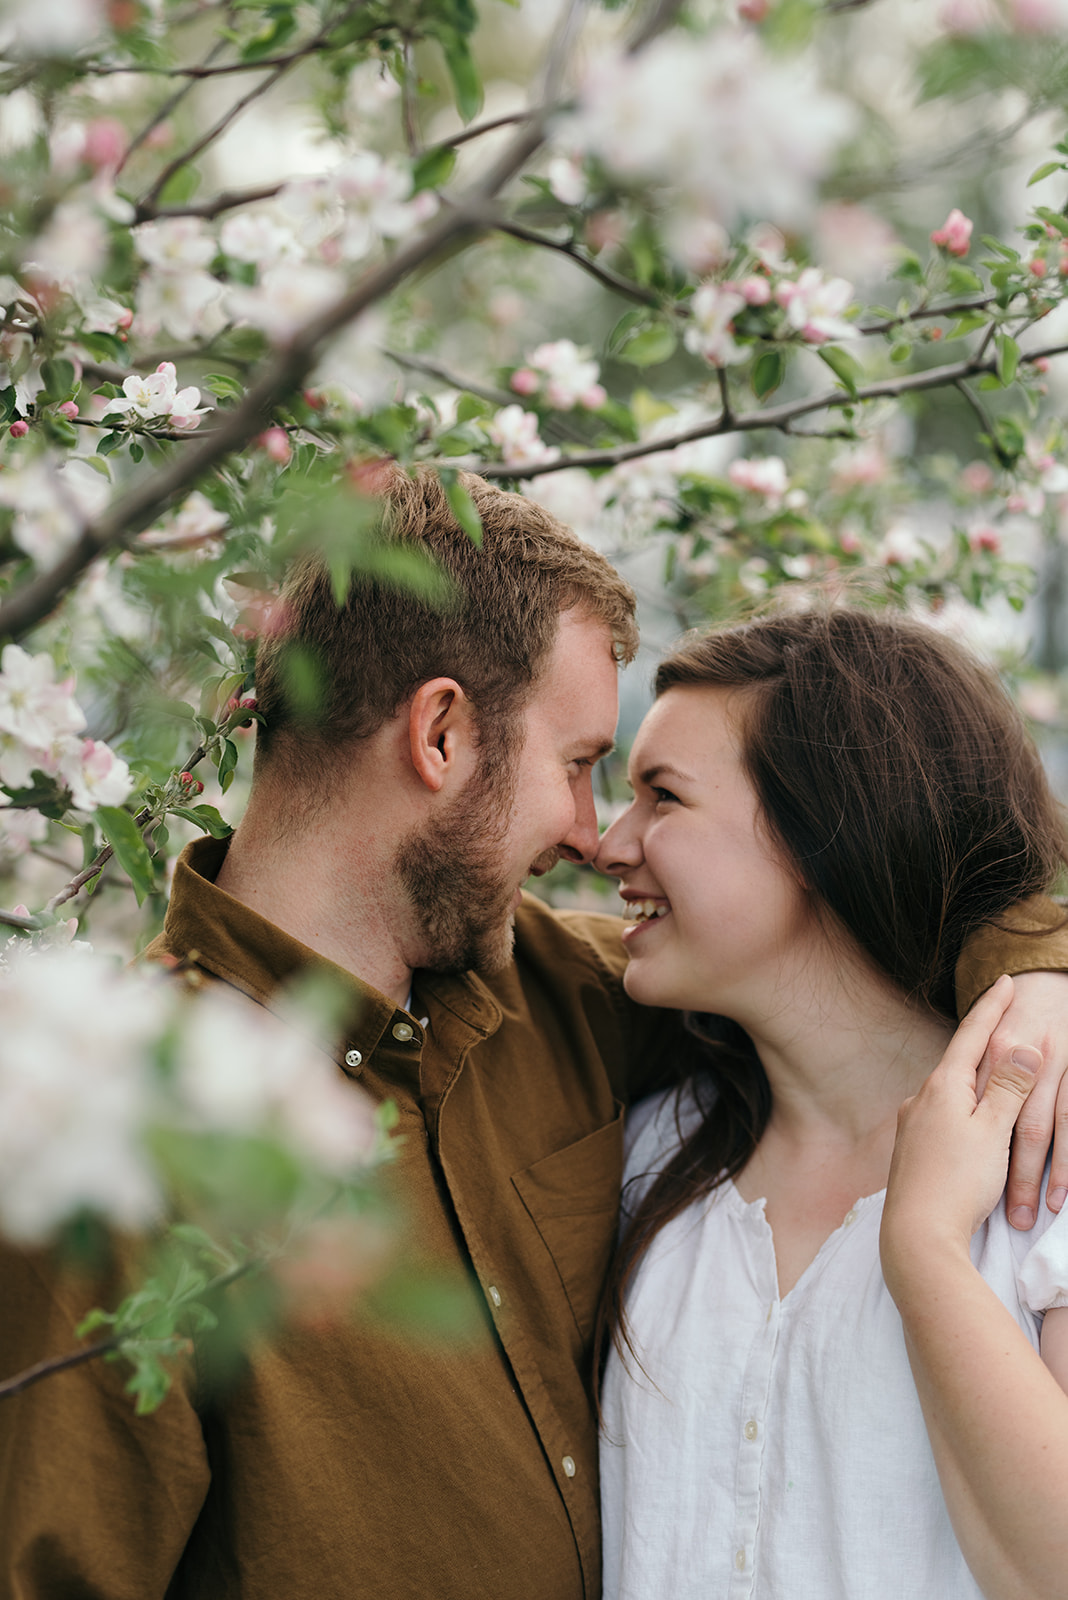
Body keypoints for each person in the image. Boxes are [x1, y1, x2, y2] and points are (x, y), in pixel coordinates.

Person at [2, 476, 1068, 1600]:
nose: (588, 832)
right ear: (442, 733)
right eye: (577, 765)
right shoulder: (108, 1134)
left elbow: (847, 949)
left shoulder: (574, 1000)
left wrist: (1036, 977)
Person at [596, 605, 1068, 1600]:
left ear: (823, 835)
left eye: (663, 797)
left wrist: (930, 1248)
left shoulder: (1045, 1160)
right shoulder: (644, 1155)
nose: (610, 841)